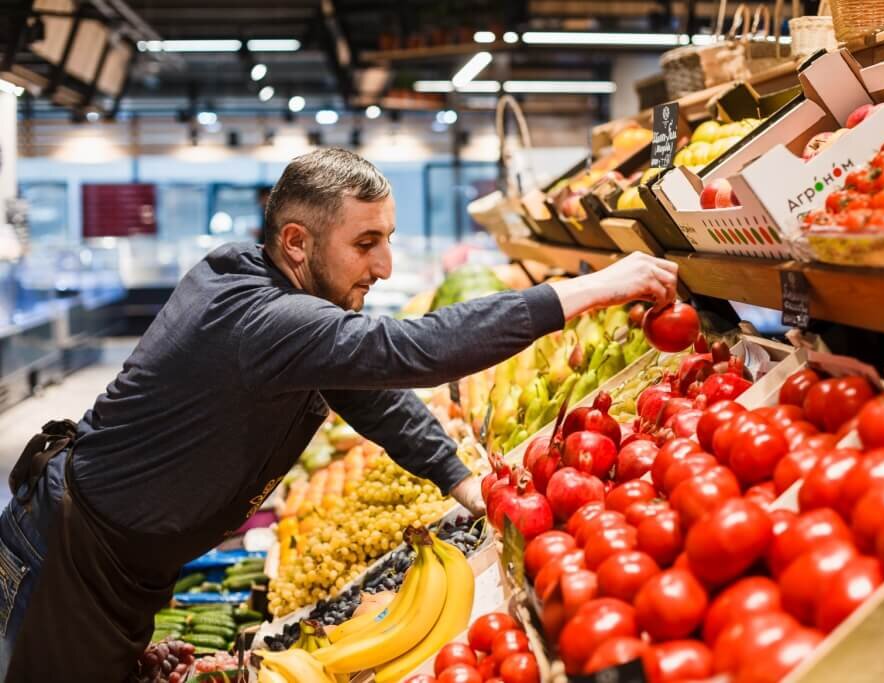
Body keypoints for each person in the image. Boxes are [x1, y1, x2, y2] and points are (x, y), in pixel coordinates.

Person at [0, 148, 678, 680]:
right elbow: (416, 348)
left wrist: (458, 478)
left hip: (113, 554)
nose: (384, 265)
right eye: (365, 243)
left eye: (388, 239)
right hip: (71, 557)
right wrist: (595, 286)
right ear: (296, 242)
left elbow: (366, 387)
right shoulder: (265, 318)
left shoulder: (254, 276)